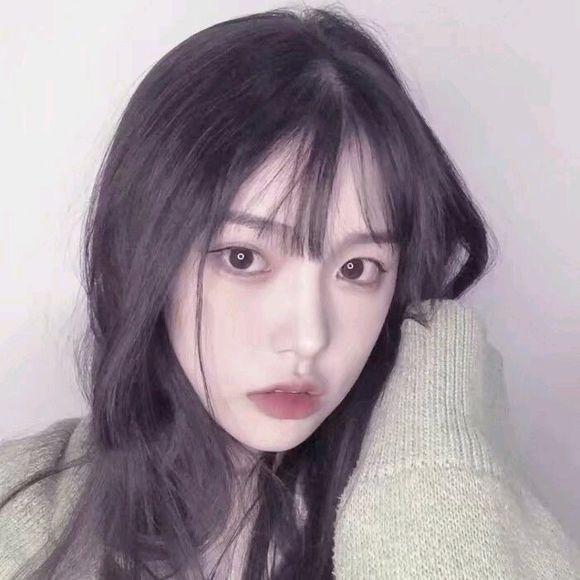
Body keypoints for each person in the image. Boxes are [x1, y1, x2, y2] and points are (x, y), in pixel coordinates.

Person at [1, 5, 579, 579]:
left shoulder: (463, 510)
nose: (308, 337)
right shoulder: (18, 511)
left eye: (357, 268)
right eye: (244, 258)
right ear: (143, 256)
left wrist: (431, 466)